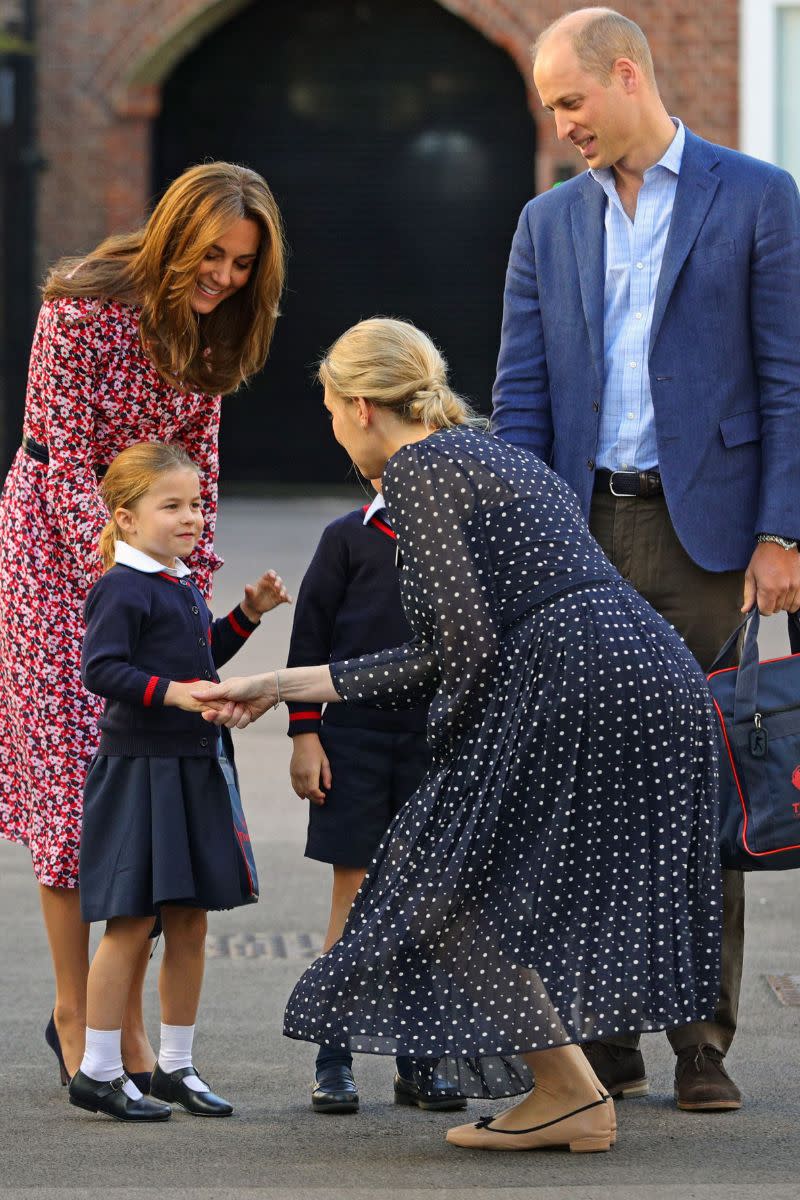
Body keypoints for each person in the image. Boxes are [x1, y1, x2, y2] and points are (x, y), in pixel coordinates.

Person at [194, 316, 722, 1154]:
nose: (333, 432)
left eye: (331, 411)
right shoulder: (497, 453)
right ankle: (572, 1092)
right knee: (502, 887)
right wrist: (283, 684)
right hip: (647, 674)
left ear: (363, 406)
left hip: (571, 681)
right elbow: (462, 641)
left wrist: (449, 767)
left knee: (436, 883)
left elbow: (453, 651)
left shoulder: (418, 470)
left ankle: (568, 1093)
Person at [491, 6, 800, 1112]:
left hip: (707, 541)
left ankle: (700, 1043)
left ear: (625, 75)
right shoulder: (545, 225)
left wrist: (780, 533)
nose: (561, 123)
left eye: (569, 101)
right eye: (549, 109)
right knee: (588, 787)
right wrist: (519, 540)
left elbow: (787, 378)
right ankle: (604, 1036)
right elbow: (519, 395)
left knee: (702, 786)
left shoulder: (756, 196)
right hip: (580, 535)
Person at [0, 160, 285, 1088]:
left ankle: (122, 1022)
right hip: (58, 550)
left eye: (243, 265)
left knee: (147, 777)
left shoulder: (214, 332)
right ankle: (80, 1014)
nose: (224, 278)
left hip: (155, 556)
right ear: (172, 236)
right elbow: (61, 459)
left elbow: (199, 461)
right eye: (212, 255)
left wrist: (190, 591)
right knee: (73, 785)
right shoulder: (82, 306)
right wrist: (125, 574)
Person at [68, 440, 290, 1122]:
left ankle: (174, 1066)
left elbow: (199, 657)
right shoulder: (120, 585)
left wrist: (247, 615)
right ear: (127, 518)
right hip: (141, 773)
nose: (191, 516)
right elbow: (102, 672)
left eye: (195, 503)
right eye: (172, 505)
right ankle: (99, 1072)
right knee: (131, 922)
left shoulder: (179, 579)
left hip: (194, 767)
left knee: (190, 921)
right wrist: (178, 696)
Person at [286, 481, 457, 1113]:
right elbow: (308, 644)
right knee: (353, 896)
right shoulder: (347, 538)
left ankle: (420, 1060)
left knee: (425, 902)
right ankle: (332, 1056)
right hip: (351, 738)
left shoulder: (459, 539)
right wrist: (306, 736)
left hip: (434, 743)